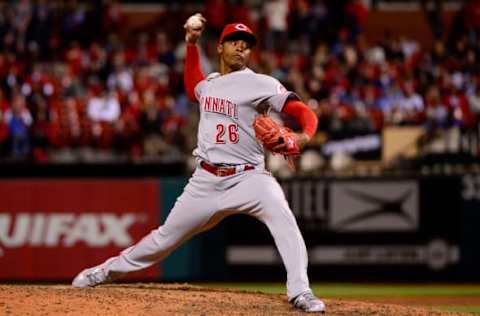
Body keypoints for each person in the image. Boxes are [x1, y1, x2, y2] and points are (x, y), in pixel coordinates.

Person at [72, 14, 325, 313]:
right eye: (234, 42)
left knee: (284, 219)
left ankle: (301, 291)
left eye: (246, 44)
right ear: (220, 47)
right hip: (205, 181)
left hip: (250, 178)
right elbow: (194, 82)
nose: (240, 48)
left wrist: (303, 138)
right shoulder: (211, 85)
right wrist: (191, 43)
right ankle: (104, 271)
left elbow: (305, 113)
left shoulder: (261, 83)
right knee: (162, 240)